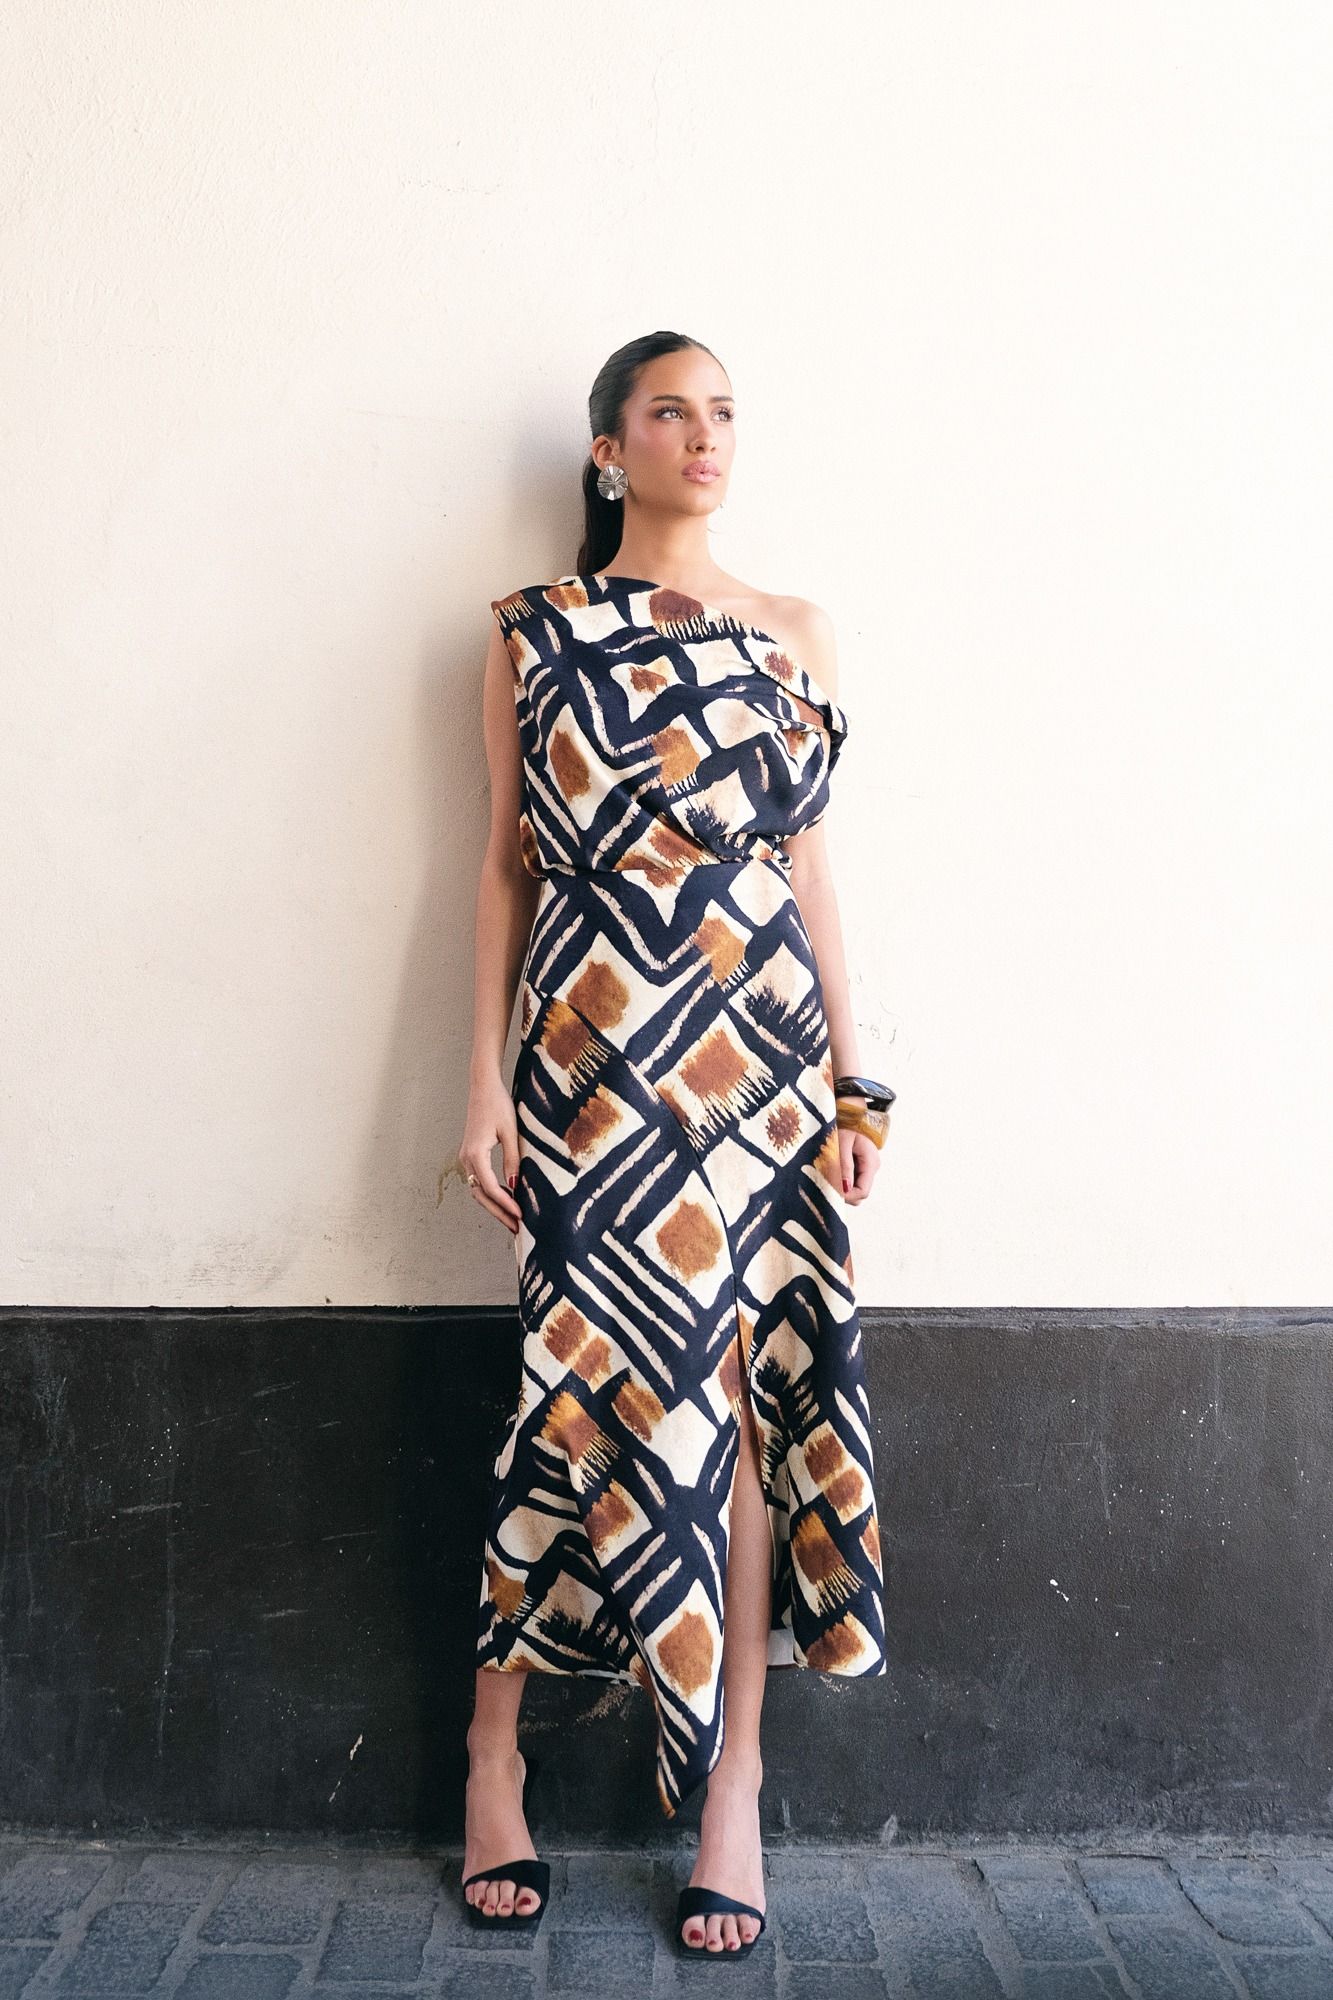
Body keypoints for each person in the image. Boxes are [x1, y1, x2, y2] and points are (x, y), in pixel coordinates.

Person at [456, 330, 894, 1959]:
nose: (704, 437)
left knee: (747, 1405)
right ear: (607, 449)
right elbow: (503, 866)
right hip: (590, 1058)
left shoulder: (795, 631)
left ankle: (731, 1793)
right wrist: (481, 1085)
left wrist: (855, 1081)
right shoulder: (533, 631)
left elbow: (811, 873)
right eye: (668, 412)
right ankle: (491, 1756)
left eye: (722, 413)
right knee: (567, 1389)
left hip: (759, 1065)